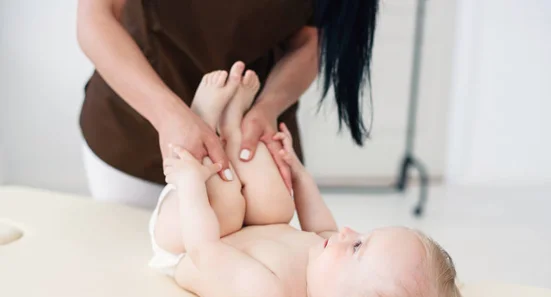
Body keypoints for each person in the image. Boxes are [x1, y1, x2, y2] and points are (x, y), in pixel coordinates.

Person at [149, 66, 468, 297]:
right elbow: (321, 223)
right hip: (237, 231)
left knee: (228, 204)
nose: (347, 232)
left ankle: (200, 119)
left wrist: (190, 182)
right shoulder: (328, 265)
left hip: (186, 242)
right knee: (276, 203)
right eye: (364, 234)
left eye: (358, 247)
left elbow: (205, 251)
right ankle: (233, 124)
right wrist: (299, 174)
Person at [76, 0, 380, 208]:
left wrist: (268, 107)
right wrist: (168, 114)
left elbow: (311, 41)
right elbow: (96, 18)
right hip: (136, 129)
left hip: (251, 140)